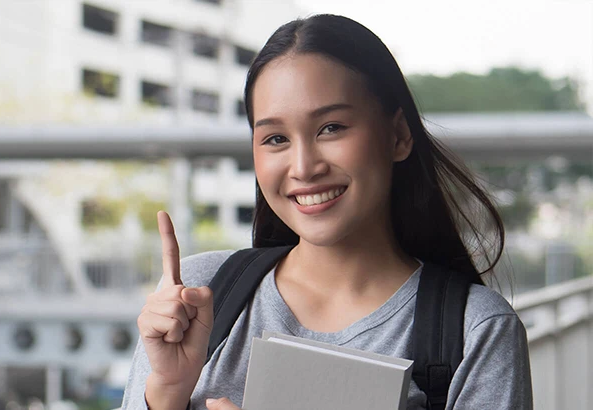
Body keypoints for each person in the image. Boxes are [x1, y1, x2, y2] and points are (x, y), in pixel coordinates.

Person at [120, 14, 532, 410]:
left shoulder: (476, 330)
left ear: (399, 136)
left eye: (331, 128)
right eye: (276, 138)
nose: (303, 167)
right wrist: (168, 391)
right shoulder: (197, 294)